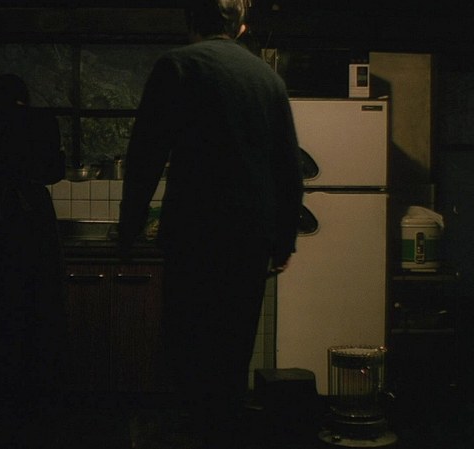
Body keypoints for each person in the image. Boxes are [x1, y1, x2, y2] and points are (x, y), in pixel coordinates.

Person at [117, 0, 304, 446]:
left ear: (190, 22)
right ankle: (224, 432)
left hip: (194, 233)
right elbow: (288, 169)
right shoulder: (268, 79)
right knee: (233, 349)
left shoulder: (177, 66)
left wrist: (129, 228)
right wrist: (283, 241)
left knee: (189, 345)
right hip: (250, 238)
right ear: (241, 27)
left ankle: (195, 432)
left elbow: (145, 156)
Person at [0, 73, 67, 439]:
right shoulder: (44, 120)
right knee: (41, 304)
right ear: (25, 96)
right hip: (35, 214)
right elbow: (54, 172)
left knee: (0, 305)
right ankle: (40, 399)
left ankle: (2, 400)